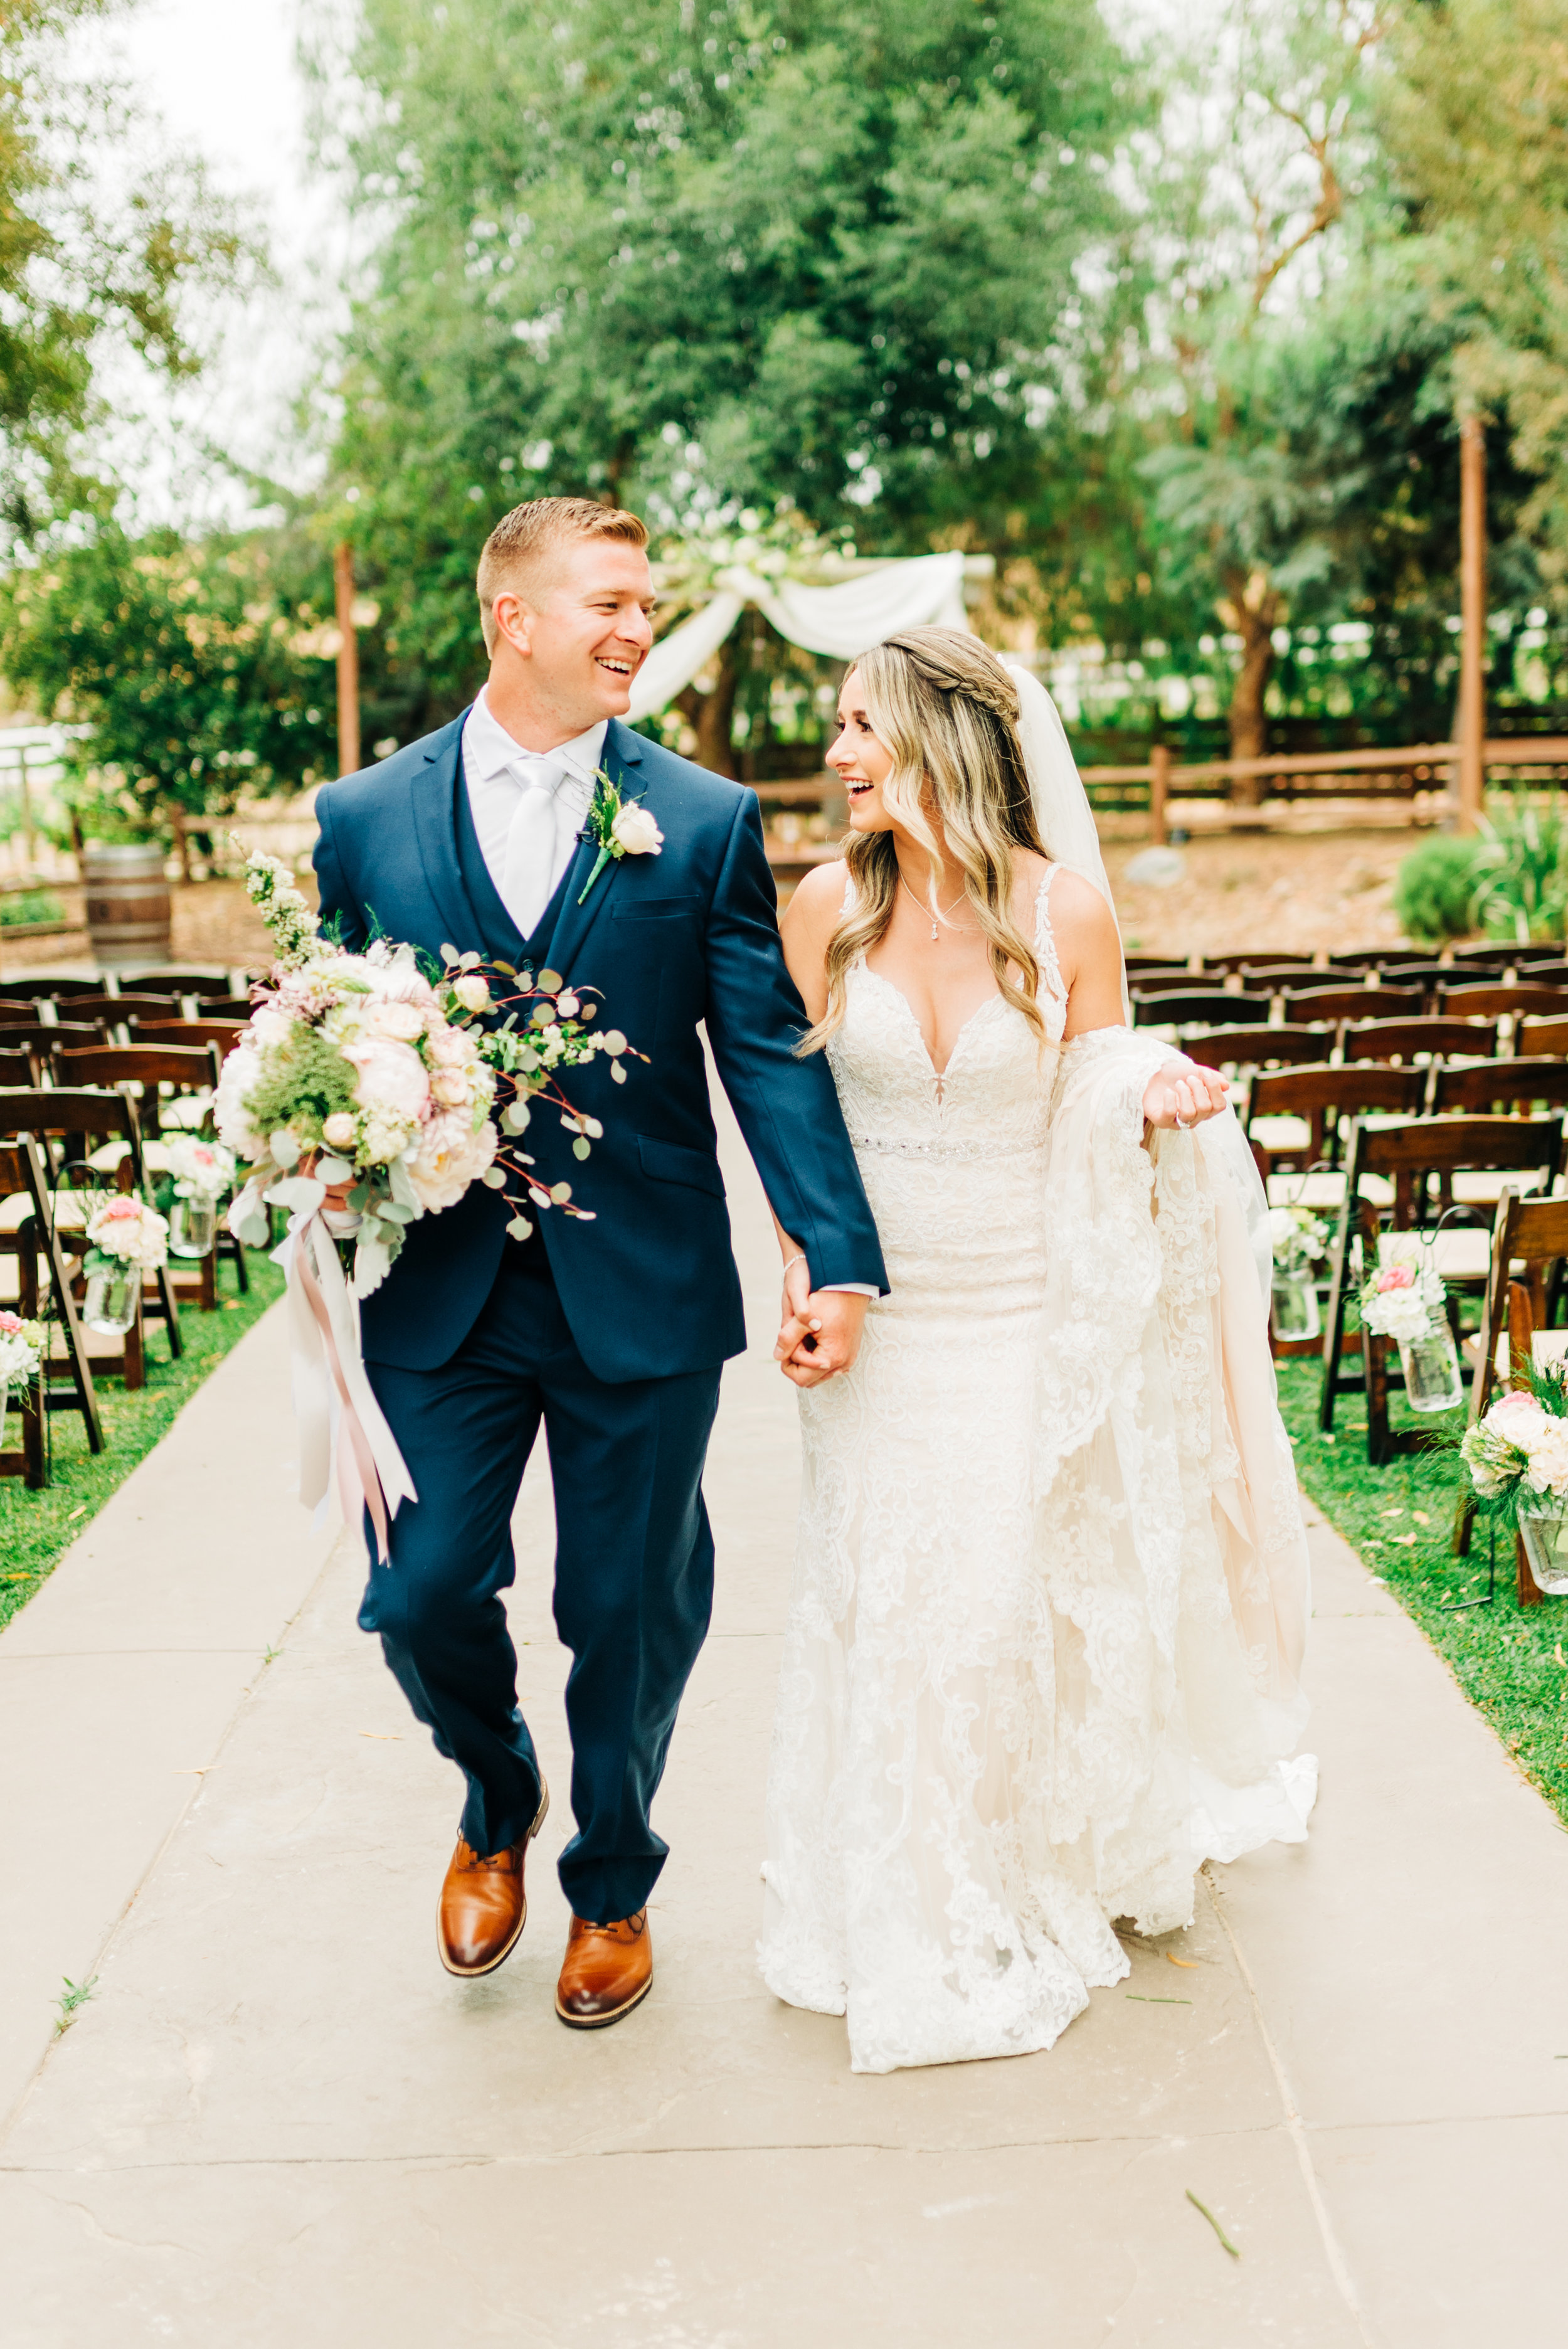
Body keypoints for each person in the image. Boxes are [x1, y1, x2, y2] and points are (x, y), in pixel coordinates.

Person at [312, 497, 887, 2028]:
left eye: (645, 603)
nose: (637, 627)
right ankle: (494, 1795)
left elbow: (763, 1050)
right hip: (432, 1294)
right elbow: (321, 1027)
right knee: (420, 1589)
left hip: (636, 1282)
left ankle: (613, 1877)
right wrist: (309, 1138)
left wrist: (828, 1252)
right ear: (513, 619)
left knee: (629, 1608)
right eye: (610, 603)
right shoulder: (361, 819)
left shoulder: (697, 819)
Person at [759, 627, 1313, 2076]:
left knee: (994, 1606)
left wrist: (1158, 1084)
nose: (835, 756)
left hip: (1015, 1311)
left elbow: (1096, 1074)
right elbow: (789, 1128)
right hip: (877, 1319)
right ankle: (880, 1887)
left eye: (858, 728)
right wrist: (803, 1282)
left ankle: (988, 1883)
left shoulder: (1062, 909)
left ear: (940, 734)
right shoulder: (824, 902)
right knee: (881, 1596)